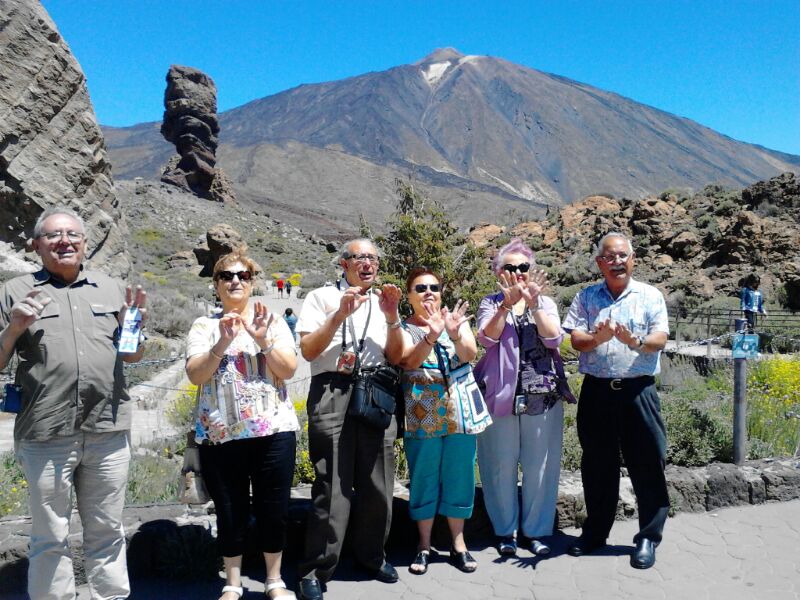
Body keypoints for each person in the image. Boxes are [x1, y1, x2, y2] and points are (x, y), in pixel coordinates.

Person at [0, 206, 147, 599]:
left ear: (84, 243)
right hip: (46, 431)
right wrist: (14, 328)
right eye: (53, 235)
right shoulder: (15, 291)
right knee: (50, 535)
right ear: (36, 245)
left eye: (72, 235)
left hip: (107, 428)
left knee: (107, 530)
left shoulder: (110, 288)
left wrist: (133, 327)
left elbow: (130, 356)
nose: (64, 241)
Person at [294, 239, 404, 600]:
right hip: (333, 389)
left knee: (379, 483)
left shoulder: (382, 301)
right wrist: (338, 315)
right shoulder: (321, 298)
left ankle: (372, 557)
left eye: (374, 257)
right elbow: (309, 350)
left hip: (375, 389)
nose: (369, 263)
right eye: (361, 257)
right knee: (332, 485)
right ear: (344, 264)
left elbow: (397, 356)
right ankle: (316, 569)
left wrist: (392, 316)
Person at [185, 252, 298, 600]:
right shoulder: (203, 327)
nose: (235, 281)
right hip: (221, 435)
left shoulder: (272, 321)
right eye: (227, 276)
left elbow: (289, 370)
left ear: (252, 282)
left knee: (273, 509)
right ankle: (232, 583)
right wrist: (222, 341)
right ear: (216, 284)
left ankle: (274, 580)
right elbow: (195, 375)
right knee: (230, 509)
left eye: (243, 275)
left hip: (273, 432)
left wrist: (262, 340)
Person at [561, 232, 670, 570]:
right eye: (609, 257)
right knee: (597, 464)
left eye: (622, 255)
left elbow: (659, 338)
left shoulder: (650, 296)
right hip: (597, 391)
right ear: (600, 263)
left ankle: (648, 537)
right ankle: (595, 533)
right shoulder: (586, 297)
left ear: (632, 259)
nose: (617, 262)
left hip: (639, 391)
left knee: (648, 464)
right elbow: (577, 340)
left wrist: (634, 340)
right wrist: (599, 337)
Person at [473, 238, 569, 558]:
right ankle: (505, 532)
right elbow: (487, 337)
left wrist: (534, 304)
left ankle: (537, 532)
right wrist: (506, 304)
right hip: (500, 398)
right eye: (509, 267)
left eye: (522, 267)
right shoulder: (489, 303)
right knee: (499, 465)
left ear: (532, 270)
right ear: (499, 272)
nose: (517, 273)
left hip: (541, 396)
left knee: (539, 465)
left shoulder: (546, 303)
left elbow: (554, 338)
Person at [396, 267, 479, 575]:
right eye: (420, 288)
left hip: (459, 413)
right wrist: (431, 334)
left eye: (433, 287)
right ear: (409, 296)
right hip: (422, 415)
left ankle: (459, 544)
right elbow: (408, 361)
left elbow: (469, 353)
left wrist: (453, 332)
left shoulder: (453, 320)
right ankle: (423, 545)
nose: (428, 292)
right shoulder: (403, 327)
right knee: (424, 477)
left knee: (460, 476)